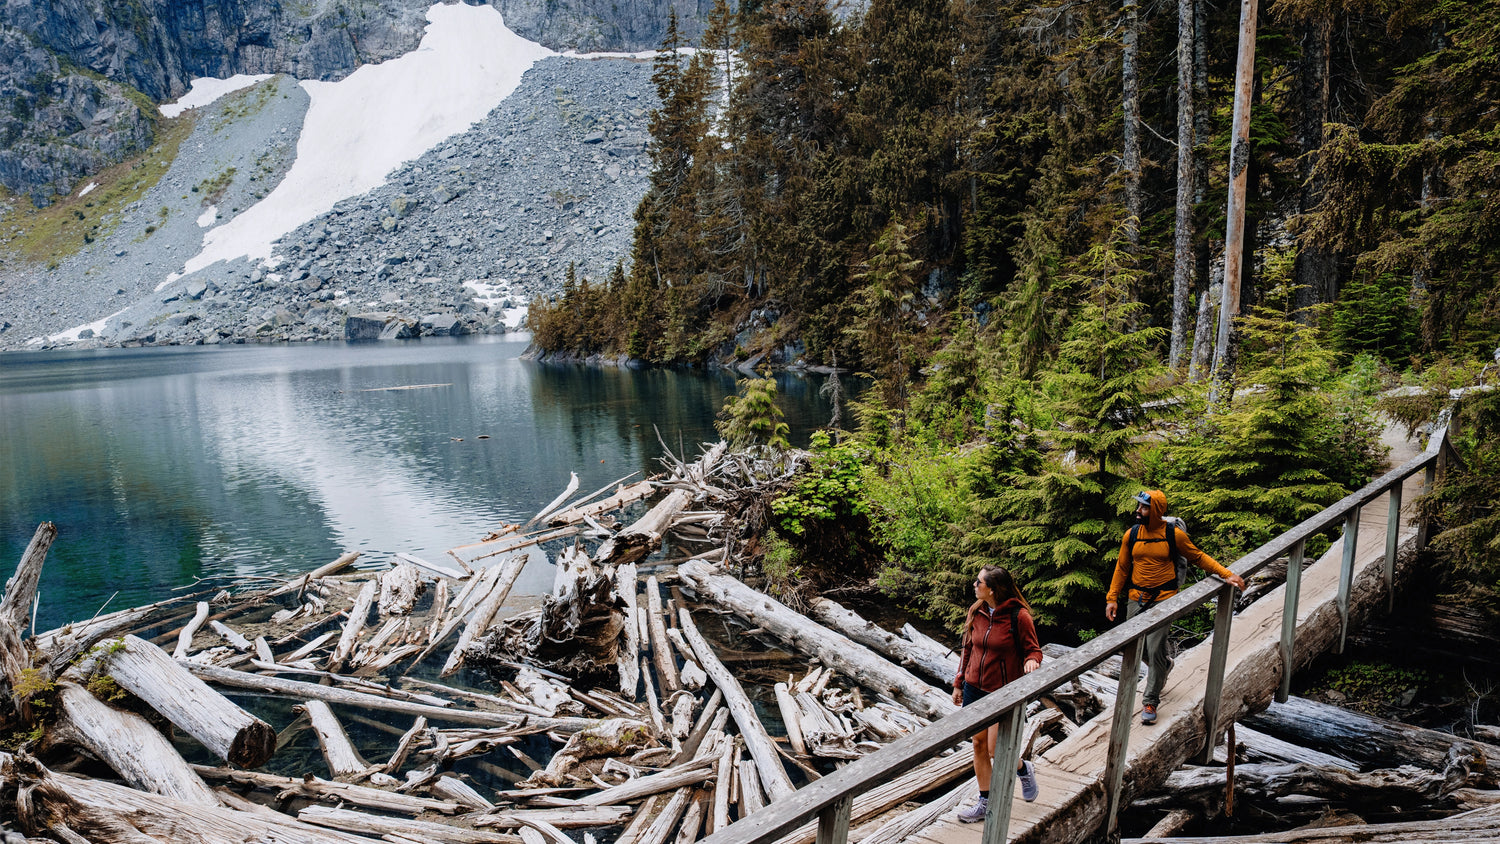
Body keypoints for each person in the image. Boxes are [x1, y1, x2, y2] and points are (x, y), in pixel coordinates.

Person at [1105, 489, 1246, 725]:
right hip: (1135, 598)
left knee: (1155, 646)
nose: (1139, 511)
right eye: (1139, 506)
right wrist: (1112, 598)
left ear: (1156, 510)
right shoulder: (1131, 535)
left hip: (1163, 598)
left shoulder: (1174, 535)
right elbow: (1122, 567)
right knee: (1136, 648)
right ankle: (1164, 666)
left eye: (1144, 507)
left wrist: (1227, 574)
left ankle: (1150, 701)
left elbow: (1198, 557)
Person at [952, 565, 1045, 823]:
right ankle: (985, 801)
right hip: (974, 687)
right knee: (978, 744)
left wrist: (1032, 662)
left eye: (978, 582)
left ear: (992, 589)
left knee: (995, 748)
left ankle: (1023, 769)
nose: (974, 584)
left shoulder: (1019, 616)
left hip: (1002, 691)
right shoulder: (976, 610)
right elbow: (967, 648)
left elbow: (1033, 650)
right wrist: (959, 682)